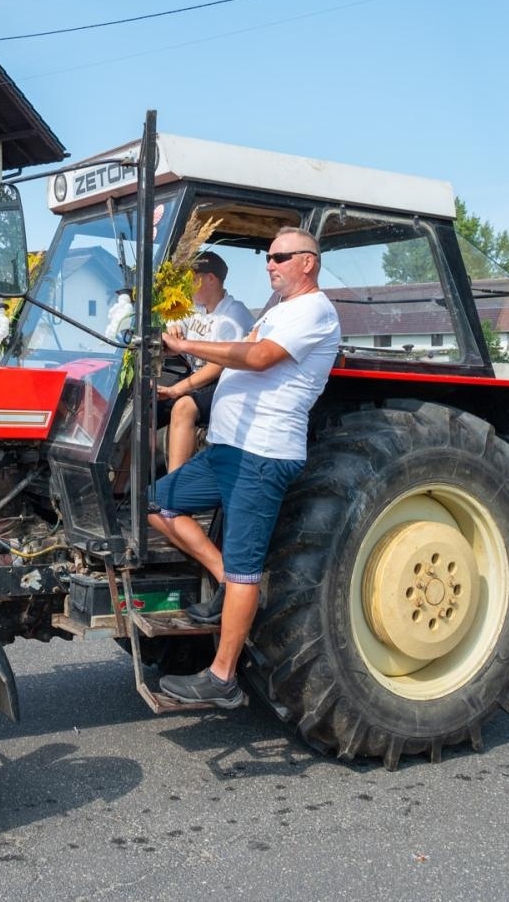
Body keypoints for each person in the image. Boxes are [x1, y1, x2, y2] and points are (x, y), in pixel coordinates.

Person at [147, 226, 340, 707]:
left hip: (263, 453)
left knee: (245, 569)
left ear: (307, 262)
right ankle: (220, 579)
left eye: (279, 257)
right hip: (227, 449)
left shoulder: (316, 310)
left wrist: (187, 347)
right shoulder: (277, 310)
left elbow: (255, 358)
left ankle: (222, 676)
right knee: (156, 502)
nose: (270, 264)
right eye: (267, 257)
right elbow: (232, 360)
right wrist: (181, 388)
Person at [155, 251, 255, 471]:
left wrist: (177, 389)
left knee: (184, 407)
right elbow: (180, 333)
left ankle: (172, 493)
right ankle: (120, 490)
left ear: (210, 279)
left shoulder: (233, 317)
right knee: (147, 401)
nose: (188, 286)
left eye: (192, 279)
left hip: (225, 382)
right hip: (197, 377)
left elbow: (220, 365)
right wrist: (174, 331)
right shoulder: (196, 310)